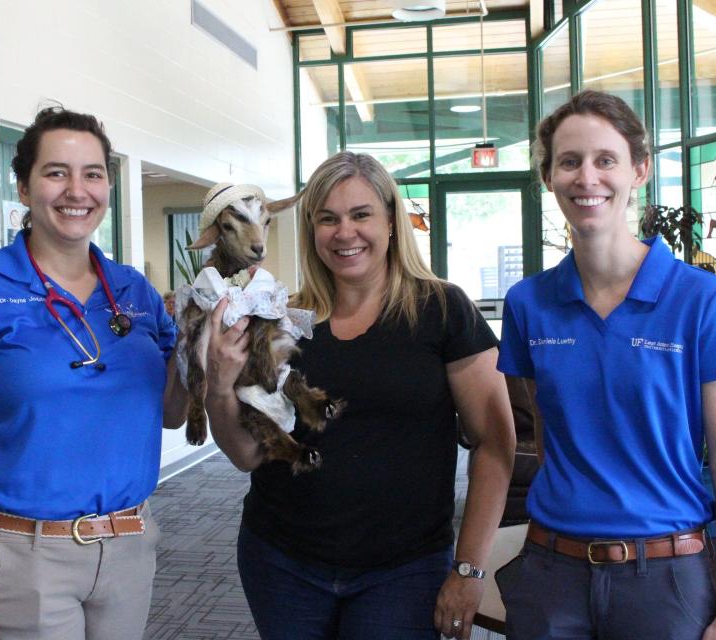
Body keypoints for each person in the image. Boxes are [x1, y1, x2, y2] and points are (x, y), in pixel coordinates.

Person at [201, 151, 516, 639]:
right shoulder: (284, 318)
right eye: (327, 219)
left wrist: (471, 568)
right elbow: (246, 453)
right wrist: (219, 388)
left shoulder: (443, 310)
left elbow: (495, 445)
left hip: (403, 569)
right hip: (282, 561)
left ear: (391, 221)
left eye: (360, 214)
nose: (344, 232)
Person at [496, 90, 716, 640]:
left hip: (666, 576)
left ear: (639, 170)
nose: (586, 177)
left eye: (605, 160)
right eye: (569, 161)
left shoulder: (702, 299)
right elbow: (548, 433)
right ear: (549, 177)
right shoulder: (527, 303)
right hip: (551, 570)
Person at [0, 106, 177, 640]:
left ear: (108, 187)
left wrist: (215, 360)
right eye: (56, 172)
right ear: (24, 186)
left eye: (93, 174)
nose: (76, 190)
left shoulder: (135, 293)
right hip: (18, 555)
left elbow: (172, 412)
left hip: (128, 546)